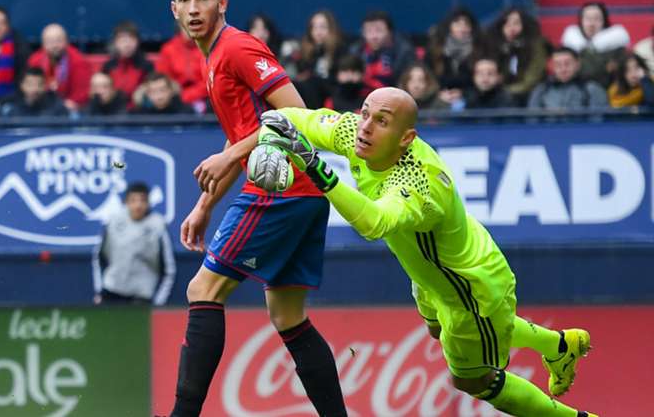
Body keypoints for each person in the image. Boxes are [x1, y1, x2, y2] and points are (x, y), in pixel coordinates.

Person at [247, 94, 596, 417]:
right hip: (429, 269)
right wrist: (269, 143)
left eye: (381, 121)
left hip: (470, 287)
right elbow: (281, 117)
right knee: (434, 328)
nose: (365, 126)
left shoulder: (418, 185)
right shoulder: (357, 132)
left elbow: (374, 223)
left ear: (406, 139)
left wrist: (313, 166)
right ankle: (559, 344)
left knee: (474, 380)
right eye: (365, 113)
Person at [171, 0, 347, 417]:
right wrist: (205, 204)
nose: (195, 9)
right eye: (186, 0)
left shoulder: (237, 48)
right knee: (288, 316)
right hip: (306, 193)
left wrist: (230, 158)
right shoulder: (214, 57)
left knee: (203, 290)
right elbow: (242, 134)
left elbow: (296, 113)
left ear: (221, 3)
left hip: (282, 190)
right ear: (174, 10)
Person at [93, 181, 175, 305]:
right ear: (126, 202)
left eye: (142, 200)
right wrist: (100, 291)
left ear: (148, 203)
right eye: (133, 200)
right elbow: (98, 258)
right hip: (111, 291)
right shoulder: (113, 221)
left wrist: (158, 302)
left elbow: (169, 270)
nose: (138, 205)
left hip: (141, 297)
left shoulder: (158, 226)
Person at [559, 1, 630, 85]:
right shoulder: (569, 47)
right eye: (588, 18)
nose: (592, 24)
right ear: (581, 21)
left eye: (597, 19)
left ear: (604, 21)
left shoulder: (617, 46)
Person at [486, 7, 548, 98]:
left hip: (530, 92)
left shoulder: (536, 44)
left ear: (525, 24)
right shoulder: (495, 46)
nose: (511, 28)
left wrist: (509, 90)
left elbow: (533, 77)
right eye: (506, 23)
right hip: (502, 92)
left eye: (516, 23)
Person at [28, 22, 92, 110]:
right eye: (50, 41)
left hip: (70, 109)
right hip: (41, 107)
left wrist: (62, 108)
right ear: (43, 44)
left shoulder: (79, 61)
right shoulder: (35, 61)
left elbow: (81, 95)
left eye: (58, 40)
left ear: (66, 41)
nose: (54, 46)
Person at [527, 46, 608, 111]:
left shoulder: (592, 89)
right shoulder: (541, 90)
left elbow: (598, 123)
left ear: (577, 64)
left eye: (567, 64)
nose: (563, 69)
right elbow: (532, 122)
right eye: (558, 65)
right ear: (552, 67)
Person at [355, 10, 412, 91]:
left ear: (390, 32)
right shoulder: (356, 52)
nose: (374, 36)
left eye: (379, 30)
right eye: (369, 31)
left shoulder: (404, 53)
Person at [155, 28, 208, 111]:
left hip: (206, 97)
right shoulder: (168, 49)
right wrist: (180, 95)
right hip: (176, 98)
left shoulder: (209, 47)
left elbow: (212, 79)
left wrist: (192, 95)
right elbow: (163, 78)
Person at [0, 67, 69, 117]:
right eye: (30, 84)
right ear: (22, 86)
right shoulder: (10, 106)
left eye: (40, 84)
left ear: (45, 86)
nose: (35, 89)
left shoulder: (56, 107)